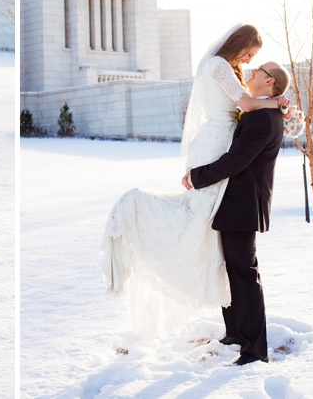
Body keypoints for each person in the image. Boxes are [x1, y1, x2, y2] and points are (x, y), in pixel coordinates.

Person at [102, 24, 286, 338]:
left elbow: (242, 131)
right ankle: (238, 333)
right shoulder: (219, 66)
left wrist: (276, 105)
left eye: (254, 59)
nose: (247, 62)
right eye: (248, 54)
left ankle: (246, 338)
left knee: (232, 261)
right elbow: (244, 104)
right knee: (219, 249)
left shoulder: (229, 74)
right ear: (238, 44)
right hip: (217, 144)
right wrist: (278, 102)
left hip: (224, 158)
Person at [184, 61, 291, 365]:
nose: (253, 70)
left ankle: (255, 349)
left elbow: (235, 161)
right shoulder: (264, 112)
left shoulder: (263, 119)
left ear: (270, 83)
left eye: (261, 69)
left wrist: (196, 176)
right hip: (234, 204)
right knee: (231, 272)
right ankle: (236, 333)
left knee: (245, 274)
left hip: (243, 204)